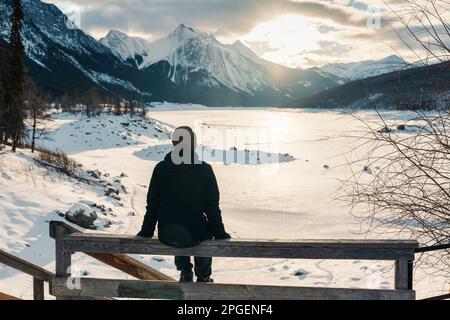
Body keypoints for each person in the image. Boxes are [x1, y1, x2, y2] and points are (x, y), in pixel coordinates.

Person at [137, 126, 231, 283]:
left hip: (168, 234)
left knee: (176, 225)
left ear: (174, 144)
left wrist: (146, 231)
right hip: (196, 233)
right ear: (193, 144)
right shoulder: (204, 170)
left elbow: (153, 204)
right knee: (203, 231)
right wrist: (220, 233)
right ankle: (203, 276)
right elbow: (211, 207)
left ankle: (185, 271)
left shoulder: (161, 169)